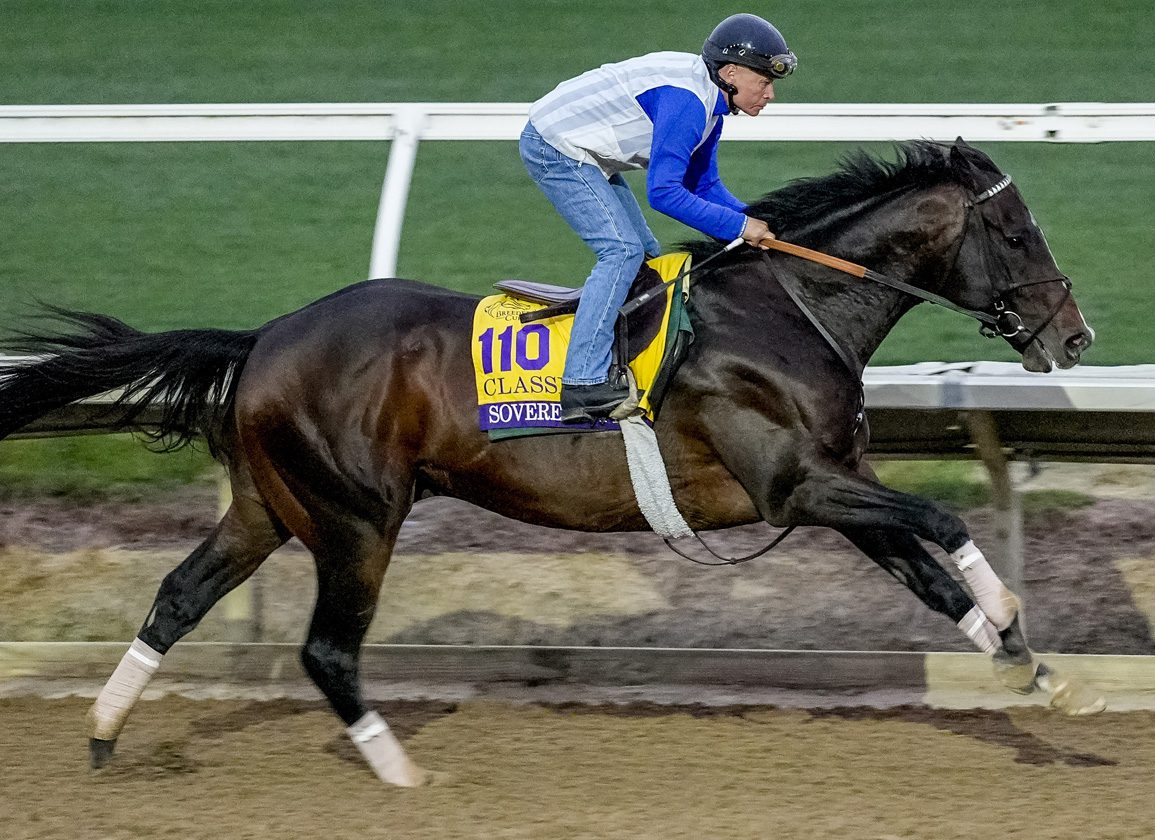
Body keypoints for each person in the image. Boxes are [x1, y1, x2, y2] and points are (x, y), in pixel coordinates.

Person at [519, 13, 796, 423]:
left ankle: (623, 358)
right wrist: (739, 228)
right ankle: (581, 383)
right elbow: (665, 193)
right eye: (765, 82)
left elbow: (703, 186)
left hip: (590, 155)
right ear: (732, 72)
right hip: (555, 147)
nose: (769, 94)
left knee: (646, 254)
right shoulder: (687, 102)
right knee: (622, 252)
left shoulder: (713, 105)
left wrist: (756, 221)